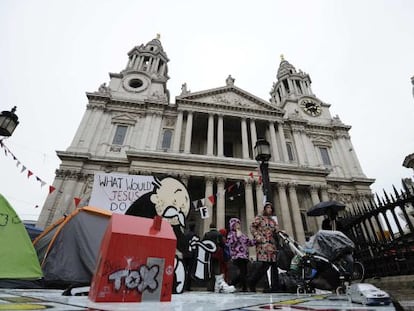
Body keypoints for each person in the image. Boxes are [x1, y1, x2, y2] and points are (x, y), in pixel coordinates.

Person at [248, 202, 280, 293]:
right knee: (264, 265)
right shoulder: (260, 218)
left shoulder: (273, 221)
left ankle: (275, 287)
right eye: (268, 207)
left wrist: (280, 231)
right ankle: (252, 282)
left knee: (274, 265)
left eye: (271, 208)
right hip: (263, 245)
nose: (270, 209)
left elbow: (276, 230)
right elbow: (252, 227)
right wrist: (258, 237)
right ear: (265, 209)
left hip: (272, 246)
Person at [203, 223, 235, 293]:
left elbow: (203, 243)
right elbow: (222, 244)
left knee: (209, 271)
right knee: (217, 271)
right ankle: (217, 286)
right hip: (217, 254)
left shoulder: (207, 234)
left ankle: (209, 287)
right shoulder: (218, 234)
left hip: (209, 254)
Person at [226, 217, 255, 292]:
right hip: (237, 256)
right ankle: (242, 287)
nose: (238, 225)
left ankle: (234, 284)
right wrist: (237, 235)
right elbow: (230, 243)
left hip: (244, 256)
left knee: (244, 272)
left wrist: (256, 240)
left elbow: (249, 243)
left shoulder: (243, 235)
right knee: (243, 272)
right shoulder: (231, 234)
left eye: (239, 223)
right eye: (236, 224)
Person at [182, 224, 197, 291]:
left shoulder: (185, 235)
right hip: (191, 255)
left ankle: (184, 285)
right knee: (190, 270)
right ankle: (188, 286)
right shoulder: (195, 236)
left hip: (185, 254)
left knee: (185, 270)